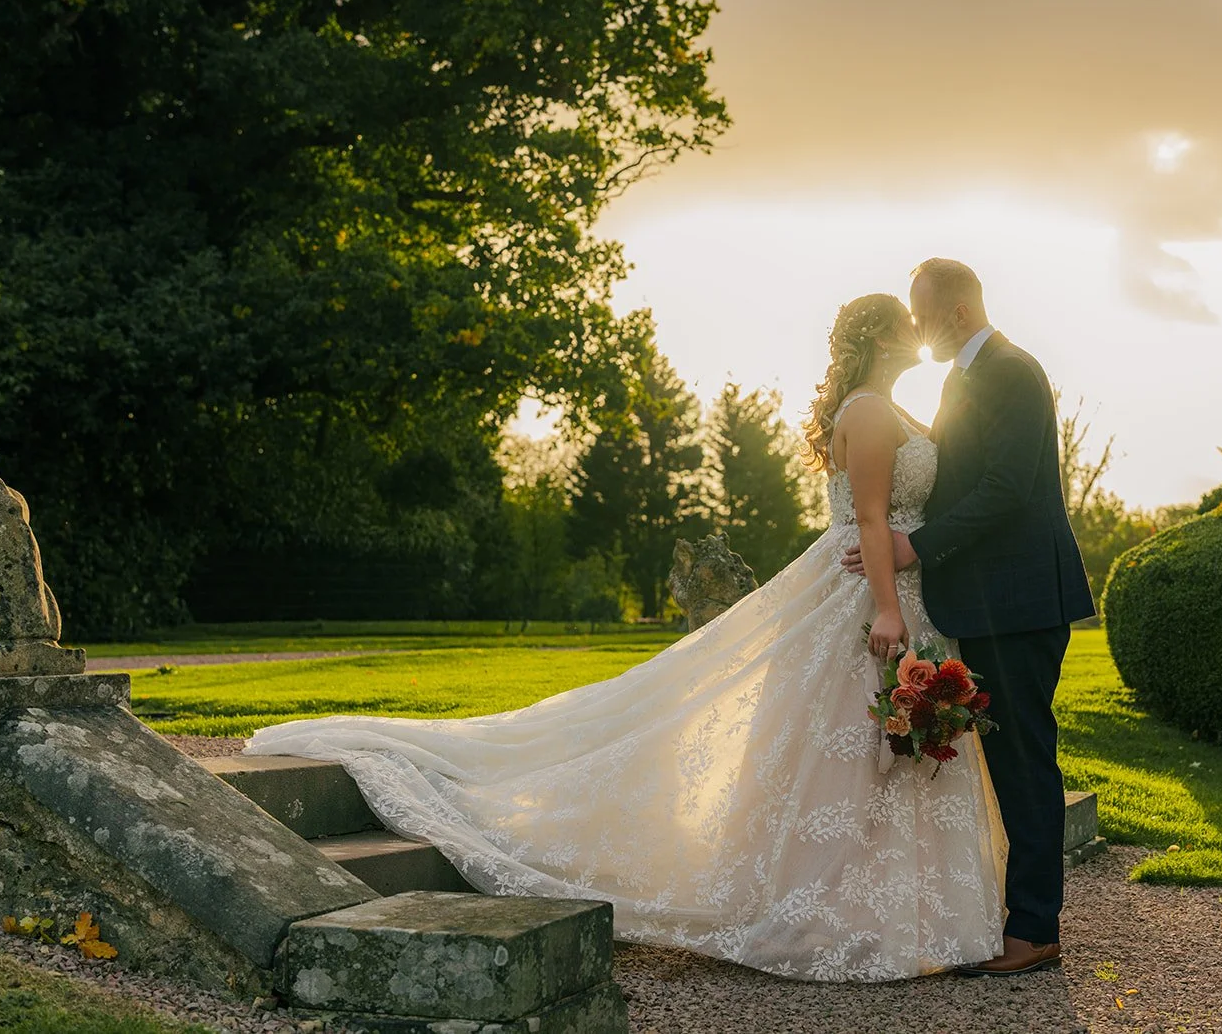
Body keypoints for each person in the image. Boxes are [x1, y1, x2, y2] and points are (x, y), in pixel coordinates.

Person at [243, 293, 1009, 982]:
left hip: (908, 591)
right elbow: (871, 518)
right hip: (868, 598)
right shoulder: (871, 412)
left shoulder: (899, 410)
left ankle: (889, 911)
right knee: (845, 754)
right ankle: (825, 908)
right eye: (906, 322)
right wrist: (885, 610)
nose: (920, 330)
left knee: (876, 759)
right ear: (881, 336)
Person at [842, 258, 1095, 976]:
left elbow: (1007, 487)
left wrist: (914, 543)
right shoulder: (963, 378)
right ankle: (1020, 915)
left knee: (1024, 761)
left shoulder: (1011, 372)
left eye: (923, 319)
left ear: (955, 313)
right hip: (987, 598)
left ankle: (1036, 928)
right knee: (1008, 760)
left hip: (1018, 600)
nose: (919, 334)